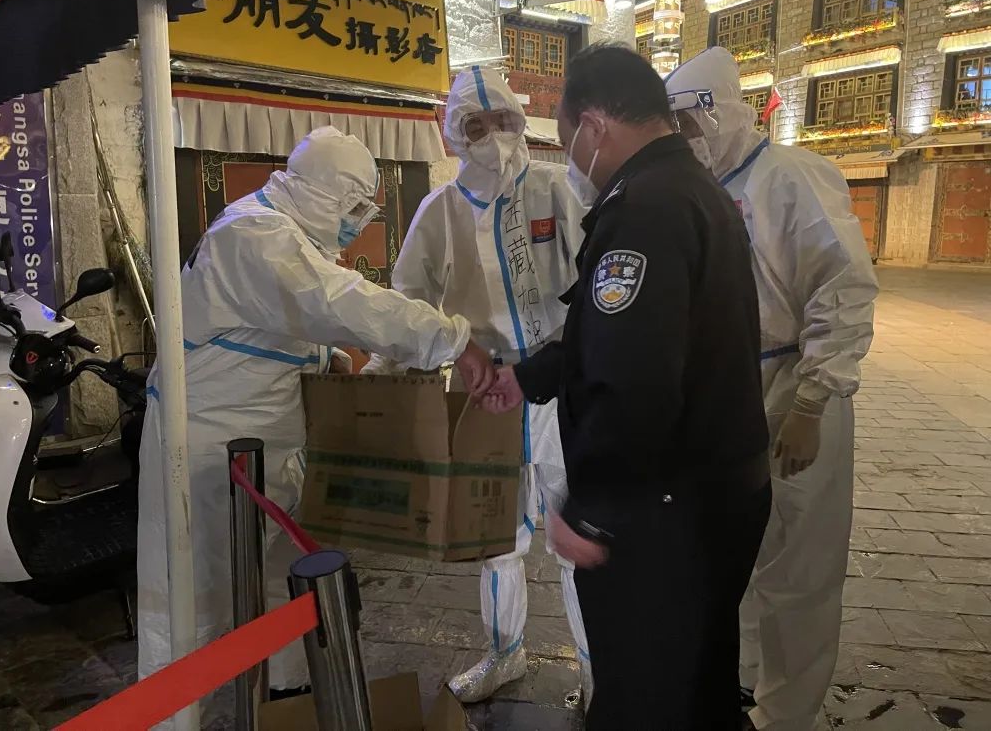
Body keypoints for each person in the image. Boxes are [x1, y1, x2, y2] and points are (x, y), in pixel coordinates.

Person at [136, 127, 494, 724]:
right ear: (323, 195)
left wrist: (332, 365)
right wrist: (452, 338)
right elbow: (338, 302)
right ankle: (173, 720)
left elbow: (279, 332)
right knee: (192, 601)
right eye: (352, 211)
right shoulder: (252, 235)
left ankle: (286, 700)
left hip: (271, 446)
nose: (356, 226)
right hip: (205, 447)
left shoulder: (285, 232)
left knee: (282, 579)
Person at [480, 43, 772, 730]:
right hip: (713, 495)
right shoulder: (691, 189)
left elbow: (633, 374)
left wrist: (594, 510)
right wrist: (527, 378)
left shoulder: (643, 209)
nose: (571, 160)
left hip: (662, 514)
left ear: (594, 125)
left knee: (643, 697)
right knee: (696, 683)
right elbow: (612, 328)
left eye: (567, 142)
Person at [362, 65, 592, 704]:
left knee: (576, 530)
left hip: (559, 382)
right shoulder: (439, 211)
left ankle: (597, 671)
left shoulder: (556, 190)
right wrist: (382, 370)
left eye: (502, 120)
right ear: (453, 134)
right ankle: (504, 653)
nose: (492, 135)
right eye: (475, 125)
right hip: (482, 387)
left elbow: (595, 280)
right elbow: (409, 301)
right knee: (493, 537)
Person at [666, 48, 877, 731]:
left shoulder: (790, 177)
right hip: (727, 388)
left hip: (793, 379)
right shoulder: (694, 190)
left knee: (799, 557)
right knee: (739, 549)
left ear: (724, 112)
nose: (685, 137)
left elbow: (842, 287)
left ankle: (788, 713)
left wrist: (813, 400)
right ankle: (748, 679)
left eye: (690, 122)